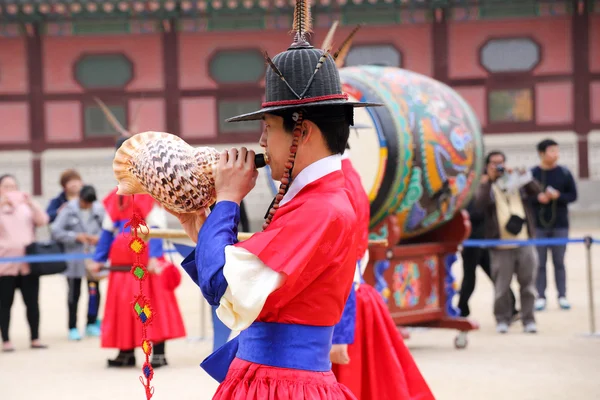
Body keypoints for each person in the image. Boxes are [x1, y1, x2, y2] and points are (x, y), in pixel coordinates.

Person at [170, 3, 381, 397]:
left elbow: (227, 288)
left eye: (268, 128)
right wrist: (203, 231)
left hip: (284, 385)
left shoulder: (323, 206)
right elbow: (245, 293)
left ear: (305, 132)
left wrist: (228, 200)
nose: (262, 142)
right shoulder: (317, 199)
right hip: (270, 378)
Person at [330, 148, 434, 399]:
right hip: (347, 300)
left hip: (343, 303)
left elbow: (345, 258)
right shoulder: (345, 176)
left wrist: (341, 332)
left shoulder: (339, 181)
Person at [88, 137, 186, 368]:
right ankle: (126, 351)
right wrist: (98, 259)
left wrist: (153, 257)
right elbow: (106, 232)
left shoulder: (151, 191)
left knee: (151, 306)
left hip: (147, 266)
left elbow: (157, 228)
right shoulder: (114, 197)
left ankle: (159, 352)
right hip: (122, 268)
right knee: (123, 308)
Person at [474, 151, 542, 334]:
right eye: (494, 164)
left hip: (524, 242)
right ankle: (502, 319)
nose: (499, 167)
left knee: (528, 286)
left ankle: (529, 319)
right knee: (501, 287)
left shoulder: (516, 183)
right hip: (500, 245)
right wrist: (488, 180)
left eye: (501, 163)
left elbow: (537, 192)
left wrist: (523, 176)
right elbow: (478, 205)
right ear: (487, 166)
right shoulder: (486, 186)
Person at [0, 174, 49, 352]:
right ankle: (6, 339)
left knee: (32, 303)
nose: (10, 190)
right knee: (4, 304)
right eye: (6, 186)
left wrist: (31, 203)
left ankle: (35, 338)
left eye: (13, 186)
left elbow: (43, 221)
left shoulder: (26, 209)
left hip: (28, 265)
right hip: (5, 266)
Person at [51, 184, 105, 340]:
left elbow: (108, 230)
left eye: (90, 203)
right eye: (85, 202)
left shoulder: (98, 209)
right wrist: (75, 236)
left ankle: (92, 323)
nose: (87, 206)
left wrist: (99, 239)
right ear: (80, 198)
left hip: (93, 259)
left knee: (94, 291)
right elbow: (56, 230)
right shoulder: (69, 209)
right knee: (74, 294)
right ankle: (72, 326)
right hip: (74, 258)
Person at [531, 139, 578, 311]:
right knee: (539, 262)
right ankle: (540, 296)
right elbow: (525, 197)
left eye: (557, 151)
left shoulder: (564, 173)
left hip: (560, 224)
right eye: (552, 151)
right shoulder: (533, 173)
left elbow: (573, 195)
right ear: (542, 153)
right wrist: (538, 199)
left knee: (559, 261)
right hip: (538, 225)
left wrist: (558, 196)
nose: (555, 154)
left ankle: (562, 295)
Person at [458, 198, 518, 321]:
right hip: (472, 243)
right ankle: (461, 310)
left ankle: (511, 307)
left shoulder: (486, 192)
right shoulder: (472, 194)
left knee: (495, 276)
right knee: (470, 279)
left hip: (484, 241)